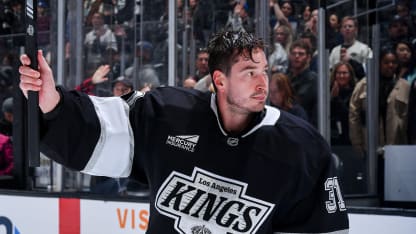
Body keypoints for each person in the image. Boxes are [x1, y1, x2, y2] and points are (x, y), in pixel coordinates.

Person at [19, 31, 349, 233]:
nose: (262, 82)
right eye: (249, 72)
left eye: (264, 71)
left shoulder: (302, 148)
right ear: (219, 80)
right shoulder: (168, 114)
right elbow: (99, 131)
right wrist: (54, 103)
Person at [349, 48, 410, 154]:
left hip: (397, 146)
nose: (390, 65)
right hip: (369, 145)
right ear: (379, 63)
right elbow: (354, 115)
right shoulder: (363, 85)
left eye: (393, 62)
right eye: (386, 62)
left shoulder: (405, 86)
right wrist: (357, 142)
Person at [287, 40, 318, 127]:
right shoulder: (286, 79)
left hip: (307, 127)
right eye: (293, 53)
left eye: (301, 54)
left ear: (308, 57)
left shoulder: (314, 80)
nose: (296, 56)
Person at [330, 62, 356, 145]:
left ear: (350, 75)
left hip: (349, 135)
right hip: (332, 135)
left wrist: (336, 98)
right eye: (339, 73)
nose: (341, 76)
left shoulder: (355, 92)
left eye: (344, 73)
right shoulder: (328, 90)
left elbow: (349, 114)